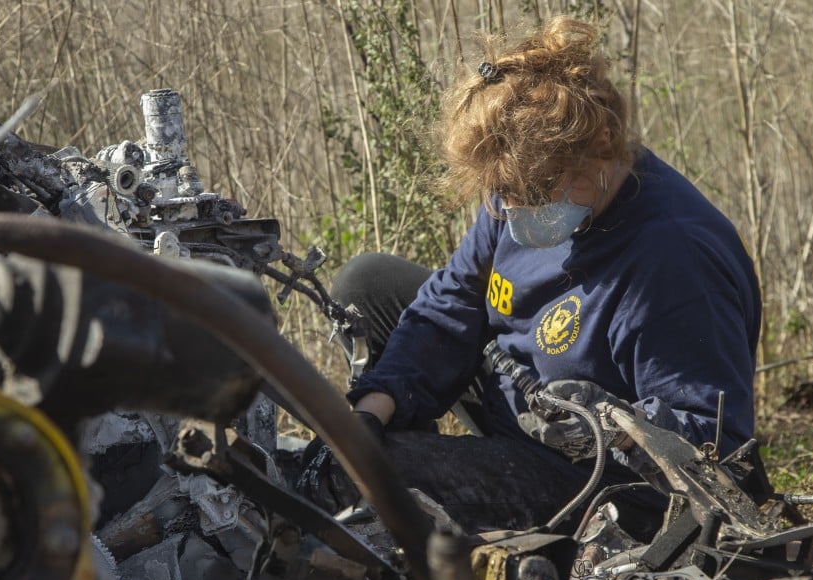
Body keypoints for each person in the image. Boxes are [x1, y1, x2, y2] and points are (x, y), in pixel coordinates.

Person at [315, 16, 770, 535]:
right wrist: (378, 404)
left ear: (602, 144)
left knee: (386, 475)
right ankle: (432, 459)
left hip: (596, 477)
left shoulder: (673, 262)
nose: (510, 210)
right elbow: (456, 298)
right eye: (500, 194)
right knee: (369, 284)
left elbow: (713, 446)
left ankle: (468, 492)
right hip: (521, 391)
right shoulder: (517, 188)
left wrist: (614, 428)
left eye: (531, 194)